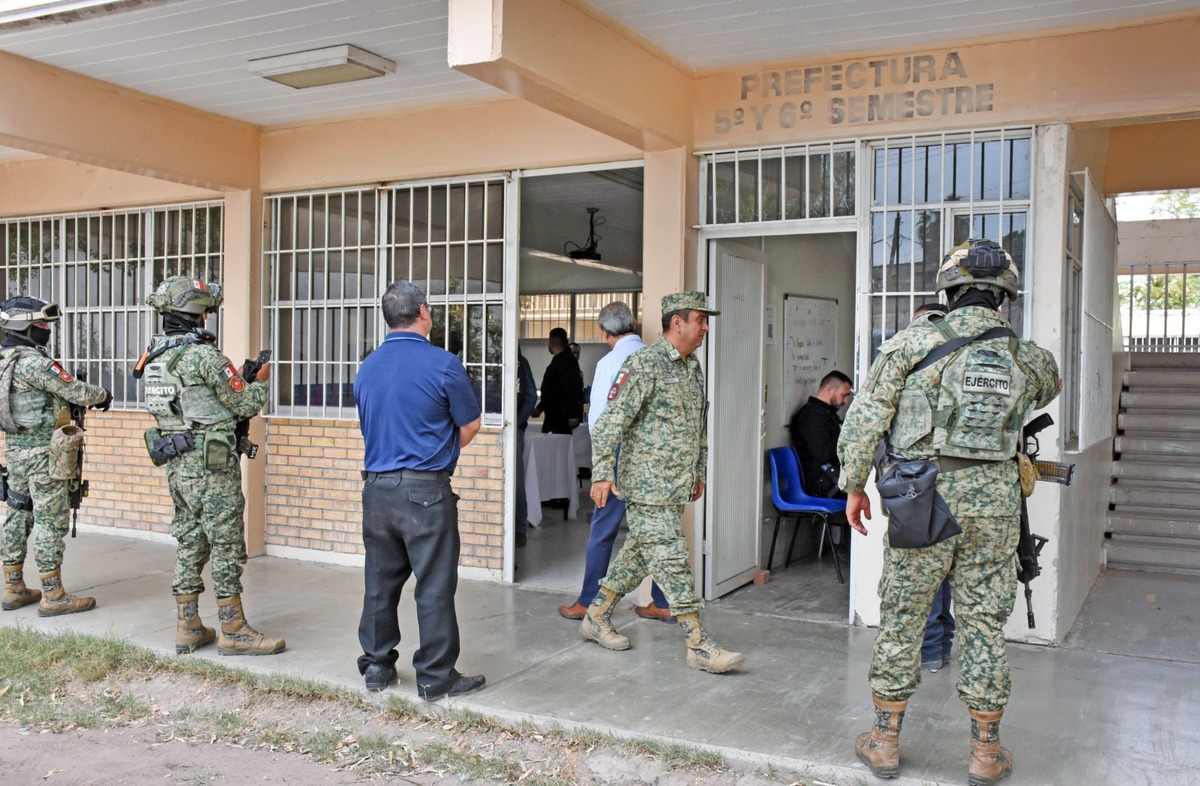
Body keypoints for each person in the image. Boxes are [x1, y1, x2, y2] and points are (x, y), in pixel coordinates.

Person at [837, 240, 1060, 784]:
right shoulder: (1026, 356)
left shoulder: (912, 341)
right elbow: (1045, 389)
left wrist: (853, 485)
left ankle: (884, 742)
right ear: (1004, 297)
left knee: (905, 615)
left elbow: (866, 417)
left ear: (948, 289)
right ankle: (986, 752)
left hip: (923, 497)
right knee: (983, 621)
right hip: (997, 504)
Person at [583, 291, 744, 674]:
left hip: (676, 486)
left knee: (639, 554)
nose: (705, 327)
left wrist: (699, 472)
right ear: (677, 323)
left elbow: (696, 427)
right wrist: (603, 473)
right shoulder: (646, 363)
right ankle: (698, 643)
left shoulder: (692, 367)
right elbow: (609, 422)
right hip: (646, 486)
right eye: (700, 320)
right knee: (672, 558)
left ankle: (595, 616)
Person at [354, 281, 485, 700]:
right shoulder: (444, 363)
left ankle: (377, 667)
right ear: (424, 312)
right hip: (425, 492)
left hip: (376, 489)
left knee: (379, 581)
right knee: (433, 584)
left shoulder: (368, 365)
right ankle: (434, 676)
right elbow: (470, 424)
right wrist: (439, 451)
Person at [140, 277, 284, 656]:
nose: (207, 317)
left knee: (190, 540)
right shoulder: (206, 357)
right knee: (225, 545)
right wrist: (261, 382)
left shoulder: (153, 357)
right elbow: (243, 402)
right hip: (211, 468)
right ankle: (233, 630)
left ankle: (187, 625)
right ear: (196, 313)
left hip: (177, 464)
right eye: (205, 311)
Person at [557, 302, 672, 624]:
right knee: (653, 529)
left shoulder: (610, 363)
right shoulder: (655, 358)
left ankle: (587, 600)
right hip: (654, 456)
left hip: (621, 455)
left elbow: (599, 421)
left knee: (603, 529)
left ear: (604, 332)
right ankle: (662, 601)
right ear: (634, 325)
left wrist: (602, 468)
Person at [0, 297, 110, 616]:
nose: (46, 330)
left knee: (17, 514)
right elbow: (75, 391)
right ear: (23, 326)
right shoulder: (35, 363)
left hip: (16, 450)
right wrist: (103, 396)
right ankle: (53, 595)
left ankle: (13, 587)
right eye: (41, 325)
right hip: (47, 455)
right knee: (50, 519)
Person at [911, 302, 955, 674]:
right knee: (948, 575)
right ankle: (941, 647)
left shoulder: (910, 364)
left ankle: (930, 650)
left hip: (922, 486)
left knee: (926, 575)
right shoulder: (965, 361)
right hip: (967, 488)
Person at [788, 370, 854, 499]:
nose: (845, 401)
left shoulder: (825, 413)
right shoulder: (812, 416)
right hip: (823, 484)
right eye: (844, 395)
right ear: (830, 389)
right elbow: (824, 454)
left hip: (830, 478)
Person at [532, 327, 584, 434]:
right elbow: (553, 391)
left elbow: (572, 390)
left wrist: (573, 416)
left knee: (556, 449)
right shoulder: (560, 361)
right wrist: (540, 408)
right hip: (555, 419)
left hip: (560, 421)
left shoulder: (566, 362)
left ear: (551, 343)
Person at [514, 348, 537, 548]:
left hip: (513, 429)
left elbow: (530, 395)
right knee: (516, 480)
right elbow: (530, 396)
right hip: (515, 428)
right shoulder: (521, 360)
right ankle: (518, 530)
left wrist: (516, 424)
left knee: (516, 480)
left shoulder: (520, 362)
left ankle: (519, 529)